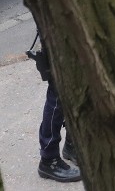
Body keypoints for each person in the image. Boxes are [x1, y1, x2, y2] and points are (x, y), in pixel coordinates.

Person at [28, 34, 82, 183]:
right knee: (59, 89)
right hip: (55, 26)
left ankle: (72, 144)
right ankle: (49, 159)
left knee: (79, 82)